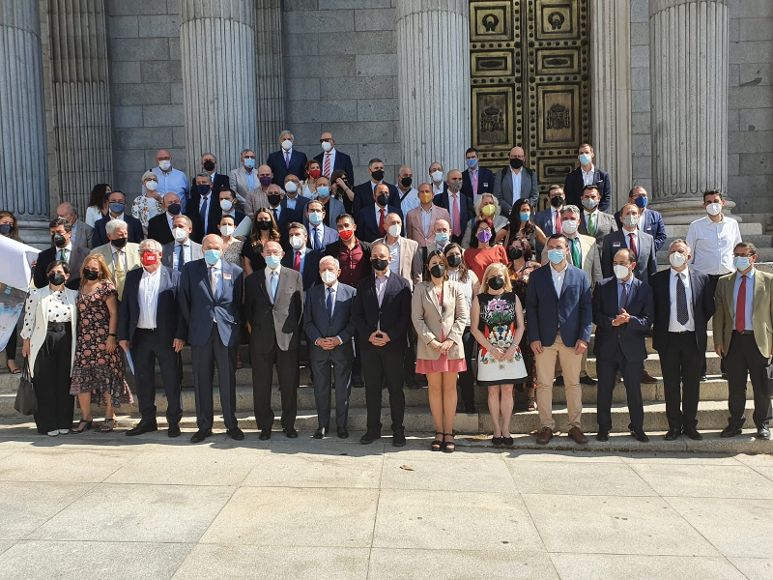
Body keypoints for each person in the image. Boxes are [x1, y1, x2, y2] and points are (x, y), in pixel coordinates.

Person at [176, 234, 244, 443]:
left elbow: (239, 305)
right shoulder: (190, 269)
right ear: (202, 248)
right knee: (201, 380)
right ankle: (204, 426)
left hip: (226, 333)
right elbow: (183, 302)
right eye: (208, 247)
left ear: (223, 249)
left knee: (227, 380)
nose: (212, 250)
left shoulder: (236, 272)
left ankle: (231, 424)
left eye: (216, 247)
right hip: (200, 332)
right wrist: (190, 327)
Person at [526, 234, 592, 445]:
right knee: (544, 384)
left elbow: (586, 309)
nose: (555, 250)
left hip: (572, 339)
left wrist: (584, 336)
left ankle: (575, 427)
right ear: (547, 250)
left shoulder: (580, 276)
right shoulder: (537, 276)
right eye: (551, 247)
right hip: (544, 339)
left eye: (559, 247)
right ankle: (546, 426)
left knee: (573, 384)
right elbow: (532, 309)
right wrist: (533, 337)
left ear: (566, 250)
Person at [118, 239, 183, 437]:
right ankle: (147, 419)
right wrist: (122, 335)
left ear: (160, 254)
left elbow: (182, 310)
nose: (145, 254)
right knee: (143, 380)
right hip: (140, 336)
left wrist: (180, 335)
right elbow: (125, 308)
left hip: (166, 337)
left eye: (149, 251)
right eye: (142, 251)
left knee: (171, 379)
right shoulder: (132, 277)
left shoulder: (174, 276)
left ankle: (173, 420)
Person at [651, 240, 714, 440]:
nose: (675, 254)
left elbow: (708, 308)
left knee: (692, 385)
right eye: (672, 251)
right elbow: (654, 309)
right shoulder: (657, 280)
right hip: (668, 340)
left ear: (689, 256)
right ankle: (674, 426)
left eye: (680, 251)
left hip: (692, 340)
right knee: (670, 385)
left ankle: (690, 425)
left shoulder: (702, 279)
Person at [352, 241, 412, 446]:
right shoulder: (362, 285)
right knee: (372, 389)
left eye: (383, 257)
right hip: (369, 347)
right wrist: (369, 334)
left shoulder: (403, 284)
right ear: (370, 259)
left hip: (393, 346)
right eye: (375, 257)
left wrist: (390, 335)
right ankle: (373, 429)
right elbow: (356, 315)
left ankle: (398, 429)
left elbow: (405, 317)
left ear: (391, 258)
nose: (379, 260)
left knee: (396, 389)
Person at [593, 248, 654, 442]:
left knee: (634, 390)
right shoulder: (602, 286)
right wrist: (611, 322)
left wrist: (631, 320)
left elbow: (648, 320)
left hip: (632, 349)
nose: (617, 267)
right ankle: (603, 427)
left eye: (622, 263)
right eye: (615, 263)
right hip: (607, 347)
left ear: (632, 265)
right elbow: (595, 314)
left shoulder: (643, 288)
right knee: (604, 389)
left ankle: (637, 427)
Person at [245, 240, 304, 440]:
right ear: (262, 255)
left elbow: (299, 308)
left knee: (289, 385)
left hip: (287, 339)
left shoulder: (294, 276)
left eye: (275, 251)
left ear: (282, 254)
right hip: (261, 340)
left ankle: (289, 424)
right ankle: (265, 425)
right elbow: (248, 311)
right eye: (268, 252)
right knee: (261, 385)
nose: (271, 254)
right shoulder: (252, 280)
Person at [713, 242, 773, 440]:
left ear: (753, 257)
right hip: (734, 340)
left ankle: (763, 424)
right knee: (736, 386)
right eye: (736, 254)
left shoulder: (768, 280)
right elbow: (719, 315)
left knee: (762, 386)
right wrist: (718, 340)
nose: (739, 258)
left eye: (743, 254)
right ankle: (735, 422)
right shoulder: (724, 282)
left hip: (759, 340)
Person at [69, 253, 133, 434]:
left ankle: (109, 415)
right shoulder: (80, 285)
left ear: (101, 270)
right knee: (82, 376)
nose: (90, 271)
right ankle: (86, 417)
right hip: (84, 339)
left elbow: (114, 313)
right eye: (88, 268)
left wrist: (112, 336)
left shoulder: (107, 287)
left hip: (104, 338)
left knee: (107, 377)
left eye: (94, 269)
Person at [413, 251, 468, 452]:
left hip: (452, 348)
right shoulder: (420, 288)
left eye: (441, 262)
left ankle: (449, 431)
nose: (437, 265)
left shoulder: (456, 288)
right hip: (430, 348)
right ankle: (438, 432)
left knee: (450, 389)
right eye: (433, 263)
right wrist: (433, 341)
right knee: (435, 390)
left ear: (446, 265)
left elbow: (462, 317)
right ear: (428, 266)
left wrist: (451, 340)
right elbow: (417, 319)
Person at [471, 263, 527, 446]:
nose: (497, 279)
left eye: (500, 275)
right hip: (489, 352)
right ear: (486, 278)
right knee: (493, 390)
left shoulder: (513, 298)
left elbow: (520, 326)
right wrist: (491, 348)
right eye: (493, 275)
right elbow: (474, 329)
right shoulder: (479, 300)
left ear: (506, 277)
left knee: (508, 389)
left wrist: (513, 347)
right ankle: (496, 429)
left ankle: (506, 429)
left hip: (511, 351)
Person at [20, 260, 77, 436]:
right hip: (43, 339)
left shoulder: (74, 295)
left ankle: (64, 421)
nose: (56, 274)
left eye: (59, 271)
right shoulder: (37, 294)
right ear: (47, 275)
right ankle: (47, 424)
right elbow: (28, 320)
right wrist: (26, 342)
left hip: (66, 339)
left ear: (67, 276)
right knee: (44, 382)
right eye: (52, 271)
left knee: (64, 381)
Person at [304, 256, 357, 439]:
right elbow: (308, 322)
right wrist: (318, 340)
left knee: (343, 389)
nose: (327, 273)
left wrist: (339, 339)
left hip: (342, 348)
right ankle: (322, 425)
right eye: (323, 270)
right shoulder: (312, 293)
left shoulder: (351, 293)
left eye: (330, 269)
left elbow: (353, 322)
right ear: (318, 273)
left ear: (338, 271)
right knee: (321, 388)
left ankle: (341, 426)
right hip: (319, 349)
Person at [686, 190, 742, 294]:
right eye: (709, 202)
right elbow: (688, 254)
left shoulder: (732, 224)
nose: (713, 205)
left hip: (728, 277)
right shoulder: (696, 226)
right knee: (707, 309)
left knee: (728, 309)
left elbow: (738, 249)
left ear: (723, 203)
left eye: (716, 201)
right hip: (704, 279)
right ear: (704, 205)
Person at [444, 243, 479, 413]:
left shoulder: (470, 275)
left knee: (464, 365)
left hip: (466, 327)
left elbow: (477, 299)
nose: (454, 257)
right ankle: (450, 402)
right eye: (450, 254)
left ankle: (469, 402)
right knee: (448, 366)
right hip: (446, 328)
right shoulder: (442, 275)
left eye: (457, 254)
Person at [507, 237, 541, 411]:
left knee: (531, 358)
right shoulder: (505, 269)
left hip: (530, 319)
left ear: (526, 248)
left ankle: (530, 397)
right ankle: (511, 395)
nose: (515, 248)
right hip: (510, 322)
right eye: (512, 246)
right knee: (512, 357)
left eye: (518, 246)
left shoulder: (534, 268)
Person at [601, 203, 657, 286]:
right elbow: (606, 267)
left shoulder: (648, 239)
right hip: (618, 287)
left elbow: (652, 267)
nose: (631, 216)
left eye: (634, 213)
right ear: (621, 218)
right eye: (627, 213)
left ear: (639, 216)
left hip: (642, 288)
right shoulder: (610, 239)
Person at [90, 219, 141, 300]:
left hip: (133, 298)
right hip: (108, 299)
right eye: (120, 235)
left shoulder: (138, 249)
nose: (124, 237)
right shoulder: (97, 253)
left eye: (126, 234)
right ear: (109, 236)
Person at [33, 217, 88, 290]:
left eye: (59, 232)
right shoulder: (43, 256)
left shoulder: (85, 254)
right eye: (53, 232)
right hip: (52, 297)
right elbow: (39, 283)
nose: (56, 236)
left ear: (69, 233)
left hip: (77, 296)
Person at [406, 182, 451, 262]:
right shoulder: (410, 214)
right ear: (418, 195)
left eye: (427, 191)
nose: (425, 194)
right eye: (422, 192)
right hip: (417, 253)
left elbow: (448, 233)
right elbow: (410, 236)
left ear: (433, 194)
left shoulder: (443, 212)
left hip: (437, 252)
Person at [0, 211, 22, 373]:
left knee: (11, 325)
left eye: (10, 222)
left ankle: (11, 360)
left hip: (10, 291)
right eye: (3, 222)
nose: (7, 225)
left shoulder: (18, 243)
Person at [614, 186, 666, 251]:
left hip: (647, 257)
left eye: (644, 195)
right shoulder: (619, 215)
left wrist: (650, 249)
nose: (641, 198)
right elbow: (615, 235)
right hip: (625, 256)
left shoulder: (655, 216)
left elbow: (661, 236)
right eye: (637, 196)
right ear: (630, 199)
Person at [563, 143, 612, 211]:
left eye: (586, 152)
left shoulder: (603, 175)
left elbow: (606, 197)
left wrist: (598, 214)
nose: (584, 155)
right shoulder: (571, 177)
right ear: (578, 156)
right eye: (581, 153)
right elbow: (569, 198)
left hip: (598, 216)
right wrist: (578, 214)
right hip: (579, 216)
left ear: (592, 154)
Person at [493, 145, 539, 214]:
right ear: (509, 158)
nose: (516, 158)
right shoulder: (501, 174)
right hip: (506, 215)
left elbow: (535, 195)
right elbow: (497, 196)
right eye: (514, 156)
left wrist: (524, 208)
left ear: (524, 158)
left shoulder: (531, 174)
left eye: (519, 156)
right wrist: (510, 210)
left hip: (526, 214)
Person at [433, 169, 473, 244]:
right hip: (444, 238)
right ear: (447, 182)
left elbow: (470, 222)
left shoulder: (467, 200)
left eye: (460, 179)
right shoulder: (438, 199)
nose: (457, 181)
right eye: (454, 179)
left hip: (463, 240)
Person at [281, 222, 322, 290]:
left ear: (305, 237)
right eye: (291, 235)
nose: (294, 237)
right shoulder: (283, 257)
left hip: (310, 296)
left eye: (297, 234)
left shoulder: (317, 256)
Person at [241, 208, 281, 277]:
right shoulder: (250, 241)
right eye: (260, 219)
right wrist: (253, 280)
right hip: (256, 279)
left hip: (277, 277)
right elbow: (247, 263)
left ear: (271, 220)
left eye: (266, 218)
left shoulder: (279, 239)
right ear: (256, 221)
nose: (263, 220)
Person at [578, 184, 617, 249]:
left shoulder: (610, 219)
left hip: (604, 257)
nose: (590, 199)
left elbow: (616, 240)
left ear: (599, 198)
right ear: (582, 198)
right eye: (586, 197)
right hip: (583, 257)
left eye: (593, 197)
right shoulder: (575, 218)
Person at [187, 172, 220, 241]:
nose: (201, 184)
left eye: (204, 182)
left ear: (211, 184)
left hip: (214, 239)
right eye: (198, 183)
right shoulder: (192, 202)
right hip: (196, 240)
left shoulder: (218, 200)